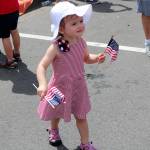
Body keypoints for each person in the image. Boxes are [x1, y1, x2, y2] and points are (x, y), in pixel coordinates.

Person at [36, 1, 105, 150]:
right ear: (61, 28)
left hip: (78, 86)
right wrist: (42, 84)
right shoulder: (55, 46)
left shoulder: (81, 42)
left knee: (81, 116)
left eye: (81, 21)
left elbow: (86, 58)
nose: (80, 25)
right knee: (56, 112)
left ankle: (85, 144)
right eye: (74, 23)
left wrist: (96, 58)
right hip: (59, 87)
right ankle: (53, 130)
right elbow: (42, 66)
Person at [0, 0, 21, 69]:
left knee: (5, 36)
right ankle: (16, 53)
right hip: (14, 7)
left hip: (3, 10)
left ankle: (10, 61)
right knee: (14, 30)